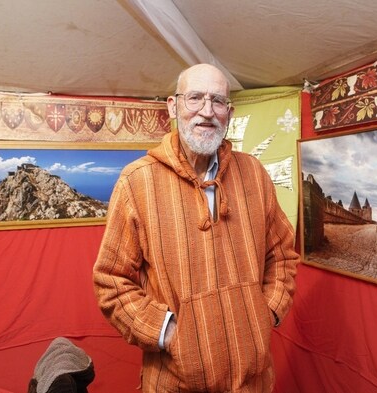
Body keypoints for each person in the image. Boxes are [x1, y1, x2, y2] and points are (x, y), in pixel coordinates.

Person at [93, 63, 300, 392]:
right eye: (195, 98)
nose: (207, 111)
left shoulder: (254, 174)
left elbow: (283, 255)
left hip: (255, 383)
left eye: (217, 101)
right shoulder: (137, 182)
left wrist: (265, 314)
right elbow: (111, 280)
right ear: (173, 107)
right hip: (175, 384)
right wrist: (170, 333)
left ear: (229, 113)